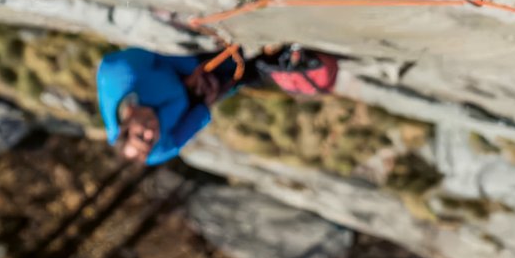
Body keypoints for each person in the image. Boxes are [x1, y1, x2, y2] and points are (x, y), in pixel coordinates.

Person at [97, 45, 338, 165]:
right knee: (249, 72)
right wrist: (205, 102)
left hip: (187, 68)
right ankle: (296, 62)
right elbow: (185, 131)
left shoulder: (119, 76)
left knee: (238, 58)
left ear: (127, 120)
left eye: (141, 135)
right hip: (199, 96)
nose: (151, 133)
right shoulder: (156, 151)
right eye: (149, 141)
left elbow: (152, 54)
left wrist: (192, 70)